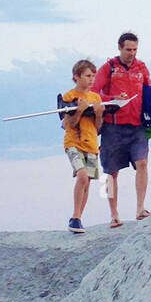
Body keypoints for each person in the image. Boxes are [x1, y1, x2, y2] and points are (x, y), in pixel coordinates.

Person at [92, 32, 151, 228]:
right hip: (113, 127)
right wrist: (112, 98)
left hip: (137, 126)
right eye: (128, 50)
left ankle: (140, 208)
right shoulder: (109, 67)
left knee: (142, 163)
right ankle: (114, 214)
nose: (132, 54)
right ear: (119, 48)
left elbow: (149, 91)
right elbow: (93, 92)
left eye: (135, 50)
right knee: (111, 172)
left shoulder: (141, 67)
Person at [60, 60, 105, 235]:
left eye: (93, 76)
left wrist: (99, 113)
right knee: (82, 176)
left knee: (87, 183)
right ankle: (75, 216)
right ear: (76, 77)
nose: (91, 79)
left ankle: (78, 218)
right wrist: (79, 110)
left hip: (92, 144)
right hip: (74, 142)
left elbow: (98, 126)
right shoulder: (69, 96)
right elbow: (69, 123)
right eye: (87, 76)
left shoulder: (96, 98)